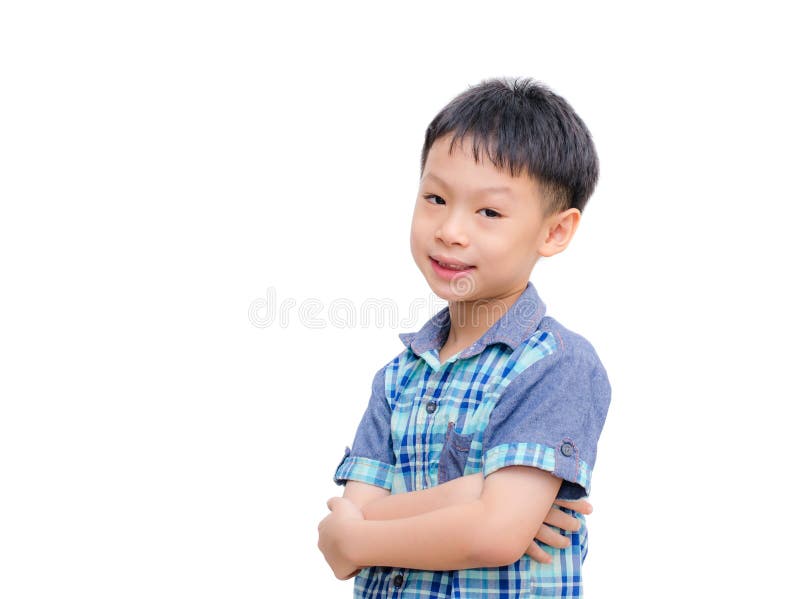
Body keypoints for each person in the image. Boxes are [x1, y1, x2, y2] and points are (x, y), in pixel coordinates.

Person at [317, 77, 612, 599]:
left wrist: (368, 534)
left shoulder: (556, 365)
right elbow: (340, 539)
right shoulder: (397, 377)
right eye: (435, 197)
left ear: (555, 231)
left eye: (489, 212)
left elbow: (494, 536)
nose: (450, 229)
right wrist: (473, 496)